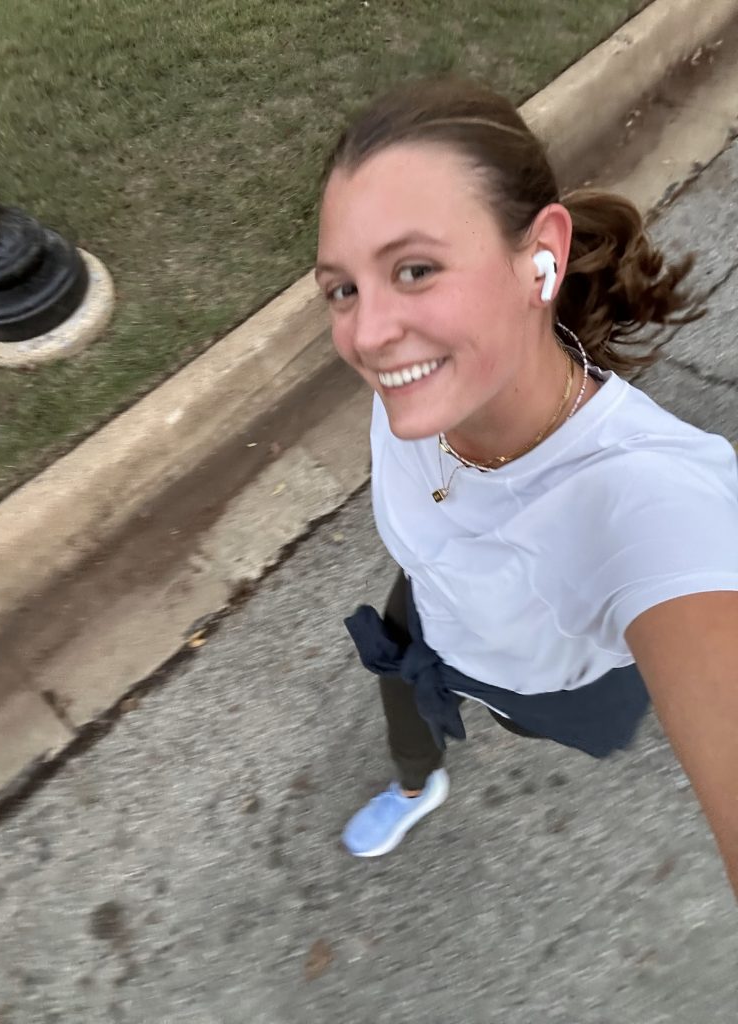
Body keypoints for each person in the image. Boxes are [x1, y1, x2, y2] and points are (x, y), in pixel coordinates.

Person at [314, 77, 738, 895]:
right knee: (405, 701)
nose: (365, 333)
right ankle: (416, 782)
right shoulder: (416, 383)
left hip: (541, 682)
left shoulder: (649, 497)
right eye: (343, 288)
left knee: (512, 716)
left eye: (414, 268)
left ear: (540, 257)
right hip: (432, 609)